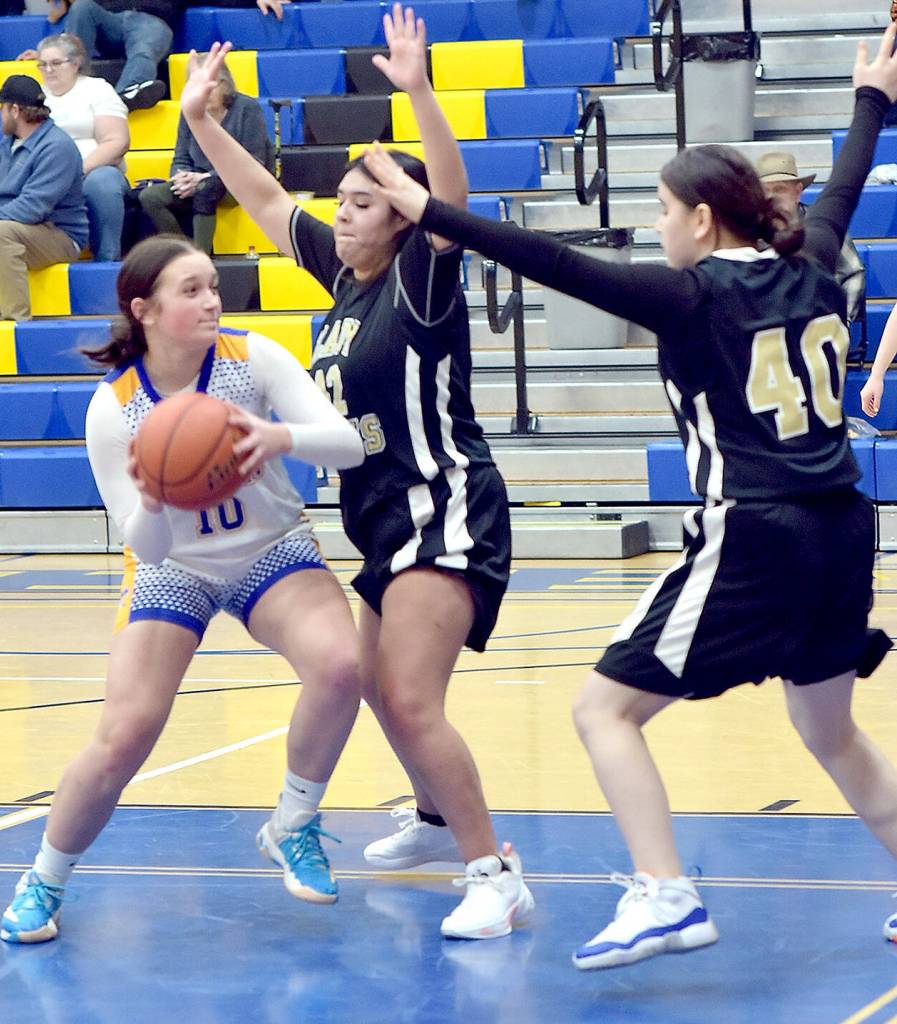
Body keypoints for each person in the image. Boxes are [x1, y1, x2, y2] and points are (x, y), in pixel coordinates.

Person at [363, 25, 897, 968]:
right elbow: (843, 188)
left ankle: (666, 893)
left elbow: (552, 263)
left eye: (659, 209)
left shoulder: (690, 295)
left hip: (757, 530)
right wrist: (871, 102)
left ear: (700, 220)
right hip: (848, 525)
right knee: (828, 725)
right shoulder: (811, 261)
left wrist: (429, 211)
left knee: (603, 711)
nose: (654, 227)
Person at [178, 5, 534, 940]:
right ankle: (430, 817)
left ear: (403, 219)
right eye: (340, 200)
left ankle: (491, 870)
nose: (342, 211)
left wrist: (415, 92)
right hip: (382, 519)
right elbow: (262, 203)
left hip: (446, 506)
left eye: (363, 201)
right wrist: (205, 122)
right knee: (377, 684)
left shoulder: (420, 277)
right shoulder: (343, 282)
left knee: (410, 697)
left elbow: (446, 201)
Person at [0, 234, 366, 943]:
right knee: (124, 732)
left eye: (212, 286)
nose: (211, 300)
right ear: (144, 309)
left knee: (341, 665)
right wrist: (158, 497)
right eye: (191, 290)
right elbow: (144, 544)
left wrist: (280, 437)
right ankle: (44, 878)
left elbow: (347, 443)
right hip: (175, 569)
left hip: (272, 549)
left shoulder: (251, 358)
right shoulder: (116, 408)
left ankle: (293, 822)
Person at [139, 56, 273, 256]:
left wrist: (206, 177)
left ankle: (202, 258)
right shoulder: (189, 111)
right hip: (198, 180)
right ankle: (185, 252)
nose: (205, 92)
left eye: (211, 84)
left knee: (206, 189)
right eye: (198, 85)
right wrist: (180, 178)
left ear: (225, 84)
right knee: (150, 197)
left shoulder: (247, 108)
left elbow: (255, 161)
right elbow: (181, 157)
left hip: (241, 181)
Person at [0, 73, 88, 321]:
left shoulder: (56, 147)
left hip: (59, 234)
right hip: (13, 227)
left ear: (15, 110)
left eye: (2, 107)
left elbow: (33, 208)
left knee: (0, 232)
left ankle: (17, 322)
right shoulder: (8, 144)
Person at [34, 32, 130, 261]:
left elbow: (117, 142)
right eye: (42, 64)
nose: (48, 70)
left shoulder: (97, 89)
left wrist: (76, 172)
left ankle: (107, 261)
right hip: (47, 176)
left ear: (75, 63)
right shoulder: (36, 95)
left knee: (103, 182)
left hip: (94, 171)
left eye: (56, 63)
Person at [756, 150, 866, 326]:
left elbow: (853, 273)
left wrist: (842, 320)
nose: (771, 198)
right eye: (765, 191)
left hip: (822, 325)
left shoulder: (824, 226)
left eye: (779, 189)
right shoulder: (748, 231)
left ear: (798, 191)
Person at [18, 0, 185, 112]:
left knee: (143, 49)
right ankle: (69, 85)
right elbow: (79, 15)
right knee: (83, 6)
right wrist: (53, 49)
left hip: (150, 19)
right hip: (108, 20)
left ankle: (124, 96)